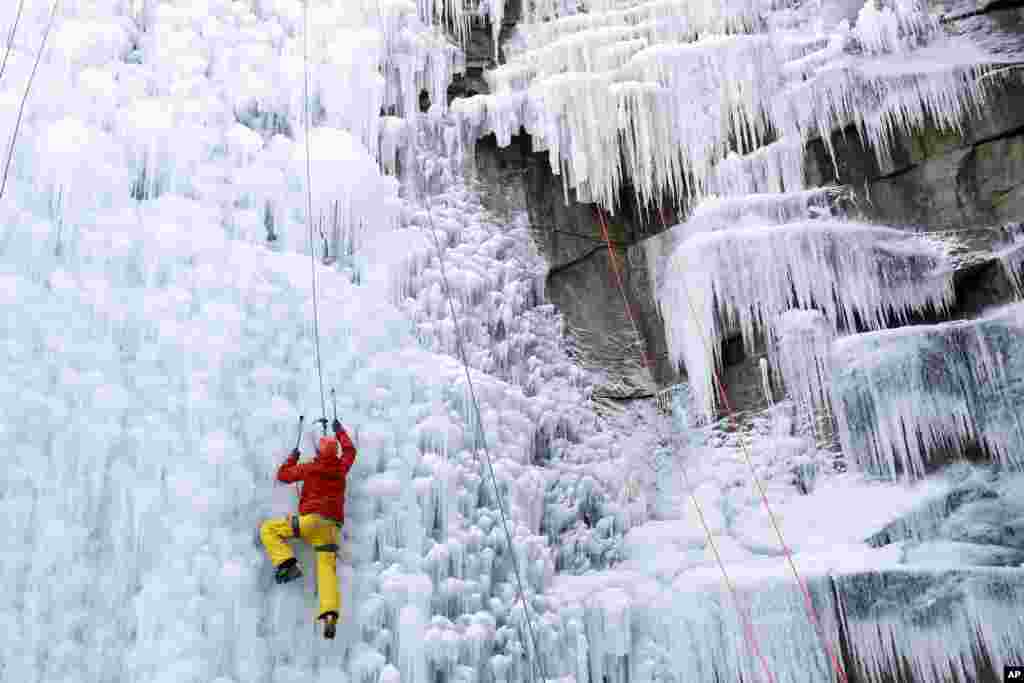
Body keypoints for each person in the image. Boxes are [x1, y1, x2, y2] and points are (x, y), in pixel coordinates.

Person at [259, 418, 356, 640]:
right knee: (326, 571)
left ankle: (287, 563)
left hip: (309, 523)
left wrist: (293, 457)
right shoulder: (341, 467)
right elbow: (350, 451)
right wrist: (340, 430)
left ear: (320, 453)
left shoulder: (311, 467)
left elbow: (283, 476)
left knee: (269, 529)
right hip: (331, 530)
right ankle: (329, 614)